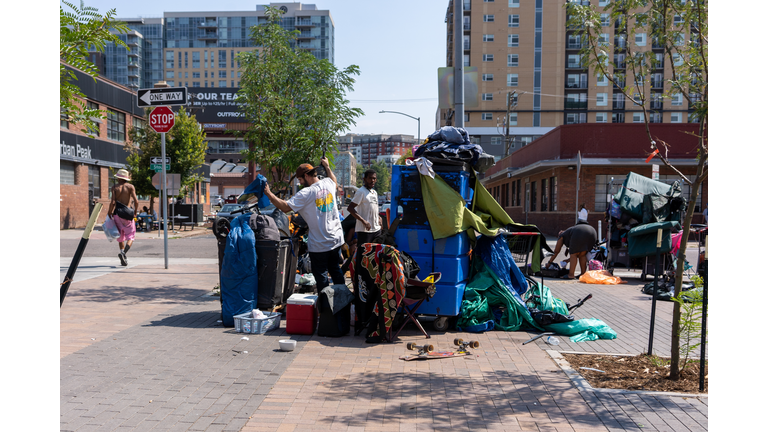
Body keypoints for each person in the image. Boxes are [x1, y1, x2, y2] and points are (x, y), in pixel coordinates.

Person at [263, 157, 345, 291]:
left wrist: (269, 193)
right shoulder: (328, 183)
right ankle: (343, 305)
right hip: (335, 240)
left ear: (306, 176)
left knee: (322, 278)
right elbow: (335, 182)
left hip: (320, 244)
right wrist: (328, 167)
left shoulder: (307, 192)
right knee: (336, 271)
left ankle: (325, 309)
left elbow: (285, 207)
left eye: (300, 180)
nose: (300, 183)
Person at [108, 169, 139, 266]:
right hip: (127, 214)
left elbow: (113, 202)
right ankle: (124, 253)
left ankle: (122, 252)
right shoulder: (130, 187)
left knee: (120, 236)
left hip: (117, 214)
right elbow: (136, 201)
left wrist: (110, 212)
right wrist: (135, 213)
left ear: (118, 177)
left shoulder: (114, 187)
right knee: (131, 235)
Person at [347, 169, 382, 248]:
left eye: (374, 178)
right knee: (364, 255)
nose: (372, 180)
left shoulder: (374, 192)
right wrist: (364, 221)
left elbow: (373, 208)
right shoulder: (361, 192)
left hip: (377, 229)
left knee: (376, 254)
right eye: (370, 178)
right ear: (365, 179)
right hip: (365, 231)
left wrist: (378, 217)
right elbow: (350, 208)